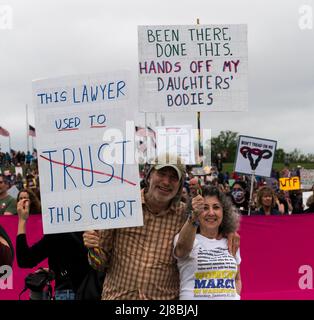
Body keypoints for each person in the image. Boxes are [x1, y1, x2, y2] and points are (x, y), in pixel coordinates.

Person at [83, 155, 239, 300]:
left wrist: (229, 232)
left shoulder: (186, 215)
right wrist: (93, 248)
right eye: (162, 174)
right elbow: (100, 264)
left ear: (179, 185)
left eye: (173, 177)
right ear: (149, 175)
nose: (166, 182)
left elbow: (211, 228)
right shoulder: (123, 206)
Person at [16, 198, 94, 300]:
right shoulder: (95, 231)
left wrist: (22, 220)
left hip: (68, 292)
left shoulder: (57, 233)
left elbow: (25, 260)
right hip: (95, 290)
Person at [174, 186, 241, 300]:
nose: (211, 213)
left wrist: (237, 295)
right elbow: (181, 251)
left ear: (224, 212)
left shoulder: (231, 240)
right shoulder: (186, 238)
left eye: (216, 207)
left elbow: (237, 278)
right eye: (204, 208)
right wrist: (194, 216)